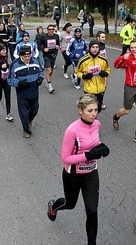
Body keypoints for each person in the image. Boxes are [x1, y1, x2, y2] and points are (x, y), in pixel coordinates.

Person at [47, 94, 110, 245]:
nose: (94, 114)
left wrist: (102, 147)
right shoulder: (72, 131)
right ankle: (53, 206)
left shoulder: (96, 124)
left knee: (92, 211)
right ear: (80, 111)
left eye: (96, 110)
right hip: (73, 175)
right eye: (90, 110)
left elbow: (94, 141)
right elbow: (65, 158)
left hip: (91, 174)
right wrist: (88, 154)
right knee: (70, 204)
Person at [7, 45, 44, 138]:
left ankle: (29, 120)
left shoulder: (35, 61)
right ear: (21, 56)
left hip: (34, 91)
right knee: (24, 113)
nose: (27, 58)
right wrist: (19, 83)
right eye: (25, 57)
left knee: (34, 110)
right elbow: (10, 80)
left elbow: (40, 71)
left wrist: (40, 78)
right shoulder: (15, 64)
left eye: (29, 56)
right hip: (22, 93)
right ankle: (26, 130)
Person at [75, 40, 110, 112]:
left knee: (98, 109)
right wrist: (84, 76)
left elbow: (108, 69)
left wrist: (106, 73)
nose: (95, 49)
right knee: (91, 110)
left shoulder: (104, 59)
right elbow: (78, 71)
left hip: (100, 89)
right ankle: (91, 122)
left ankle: (92, 120)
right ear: (90, 48)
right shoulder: (83, 60)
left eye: (97, 47)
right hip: (89, 90)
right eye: (93, 47)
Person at [38, 24, 60, 93]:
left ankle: (47, 81)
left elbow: (58, 44)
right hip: (46, 55)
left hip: (53, 55)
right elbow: (38, 45)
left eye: (52, 29)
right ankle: (50, 85)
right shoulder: (44, 37)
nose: (51, 31)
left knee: (51, 71)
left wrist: (57, 46)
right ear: (47, 30)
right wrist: (44, 48)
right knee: (49, 70)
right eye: (49, 29)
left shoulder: (56, 36)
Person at [96, 31, 108, 110]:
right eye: (102, 37)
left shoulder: (103, 45)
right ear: (98, 38)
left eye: (104, 37)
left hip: (103, 68)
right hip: (96, 69)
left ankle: (100, 100)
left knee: (105, 86)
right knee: (97, 85)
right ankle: (95, 101)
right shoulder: (95, 46)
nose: (104, 39)